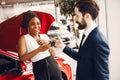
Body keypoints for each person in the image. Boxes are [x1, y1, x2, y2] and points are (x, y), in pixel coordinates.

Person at [54, 0, 110, 80]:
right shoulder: (86, 35)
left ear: (87, 16)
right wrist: (62, 46)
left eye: (77, 15)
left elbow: (103, 76)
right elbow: (81, 57)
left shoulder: (98, 42)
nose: (75, 19)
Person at [18, 11, 62, 80]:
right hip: (39, 68)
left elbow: (53, 54)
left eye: (38, 24)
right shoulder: (23, 38)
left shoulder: (44, 36)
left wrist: (48, 44)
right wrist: (39, 50)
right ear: (27, 26)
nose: (36, 26)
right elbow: (22, 58)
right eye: (32, 24)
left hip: (52, 65)